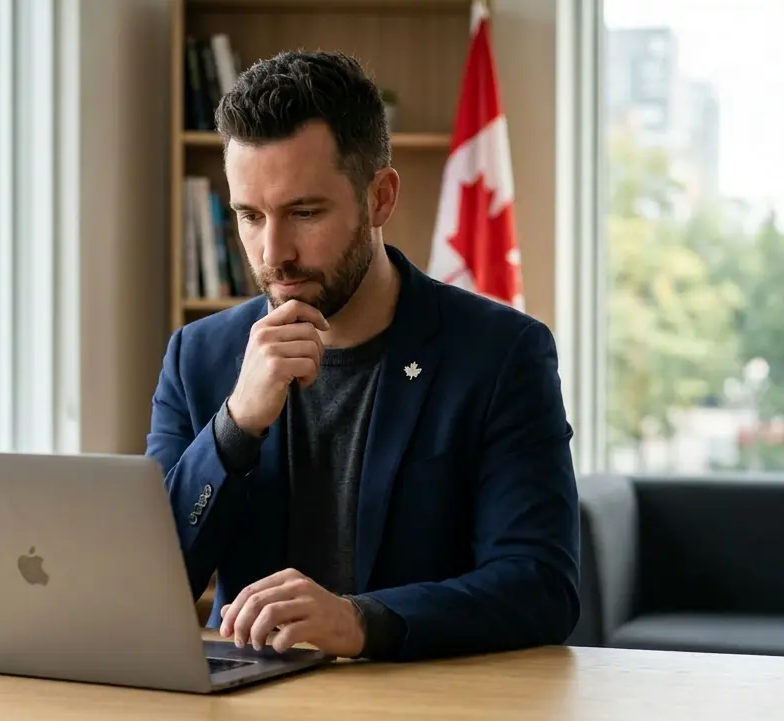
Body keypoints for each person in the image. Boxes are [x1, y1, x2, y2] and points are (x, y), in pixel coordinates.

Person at [147, 49, 581, 664]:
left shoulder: (502, 354)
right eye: (250, 216)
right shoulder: (200, 355)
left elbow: (542, 586)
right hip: (238, 713)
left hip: (423, 714)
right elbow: (152, 584)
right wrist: (235, 427)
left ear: (380, 198)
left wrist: (362, 621)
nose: (274, 253)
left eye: (304, 212)